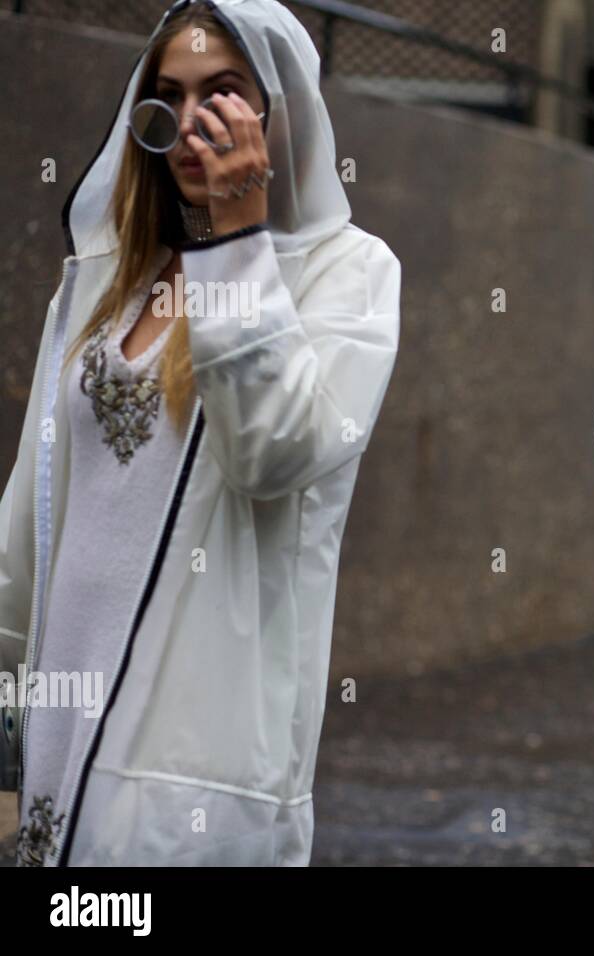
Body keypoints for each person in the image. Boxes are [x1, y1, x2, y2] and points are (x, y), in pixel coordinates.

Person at [0, 0, 401, 865]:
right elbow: (30, 518)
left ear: (280, 110)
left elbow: (273, 451)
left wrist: (237, 240)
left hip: (191, 753)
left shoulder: (349, 275)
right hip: (62, 718)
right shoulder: (107, 277)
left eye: (221, 94)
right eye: (168, 99)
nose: (190, 125)